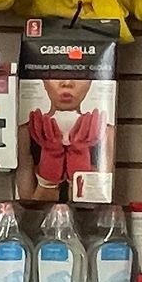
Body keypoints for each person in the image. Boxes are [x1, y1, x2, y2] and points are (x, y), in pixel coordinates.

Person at [19, 71, 108, 205]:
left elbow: (96, 208)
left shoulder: (104, 132)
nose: (67, 83)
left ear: (90, 82)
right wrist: (47, 182)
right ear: (44, 80)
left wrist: (78, 180)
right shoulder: (26, 132)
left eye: (79, 76)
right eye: (56, 74)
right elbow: (28, 209)